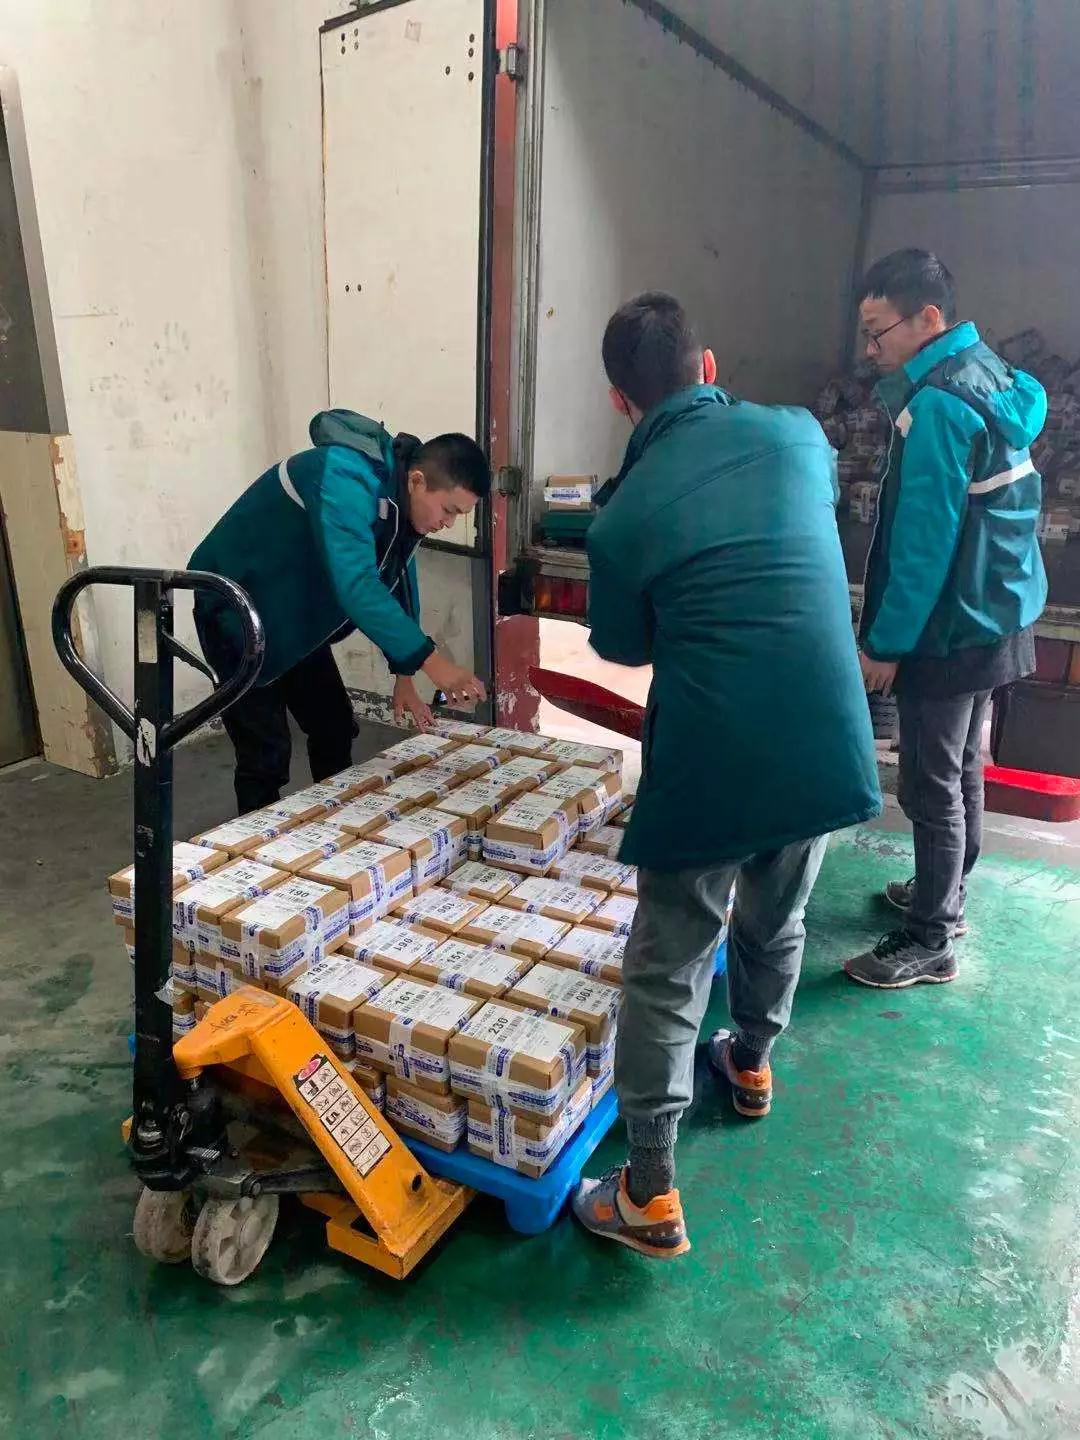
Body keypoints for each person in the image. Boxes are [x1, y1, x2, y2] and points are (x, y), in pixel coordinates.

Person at [572, 292, 881, 1259]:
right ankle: (749, 1064)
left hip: (712, 756)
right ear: (707, 367)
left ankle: (648, 1192)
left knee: (667, 967)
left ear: (620, 402)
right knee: (776, 914)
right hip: (827, 743)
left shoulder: (621, 521)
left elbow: (625, 646)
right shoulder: (801, 437)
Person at [844, 250, 1047, 990]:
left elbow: (922, 544)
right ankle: (946, 896)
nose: (871, 349)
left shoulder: (936, 406)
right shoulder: (991, 374)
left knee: (929, 786)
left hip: (952, 624)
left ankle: (930, 938)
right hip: (1001, 609)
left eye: (878, 331)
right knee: (961, 767)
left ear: (928, 319)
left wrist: (886, 642)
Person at [190, 409, 489, 813]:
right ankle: (257, 845)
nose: (449, 523)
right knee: (265, 753)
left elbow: (398, 580)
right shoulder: (344, 477)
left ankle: (335, 825)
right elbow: (359, 585)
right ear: (418, 481)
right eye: (449, 510)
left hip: (294, 616)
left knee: (333, 726)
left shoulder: (399, 503)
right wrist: (433, 663)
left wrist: (404, 674)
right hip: (235, 609)